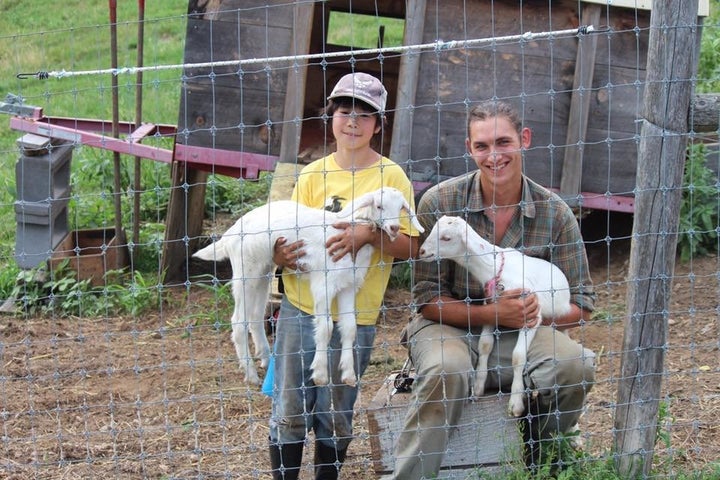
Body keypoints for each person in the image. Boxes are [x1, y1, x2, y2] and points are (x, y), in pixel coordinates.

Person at [391, 99, 596, 478]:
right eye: (482, 146)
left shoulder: (554, 213)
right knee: (445, 368)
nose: (494, 155)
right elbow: (427, 301)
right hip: (446, 327)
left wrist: (534, 311)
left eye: (503, 142)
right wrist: (493, 313)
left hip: (521, 330)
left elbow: (582, 305)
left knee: (575, 365)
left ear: (525, 140)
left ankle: (542, 461)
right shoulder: (441, 202)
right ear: (469, 149)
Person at [267, 72, 422, 480]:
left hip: (357, 315)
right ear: (331, 116)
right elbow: (287, 229)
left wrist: (368, 234)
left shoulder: (391, 177)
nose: (353, 122)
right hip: (301, 307)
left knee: (335, 409)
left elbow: (411, 247)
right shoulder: (312, 175)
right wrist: (278, 254)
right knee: (289, 405)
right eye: (345, 111)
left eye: (365, 115)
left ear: (379, 124)